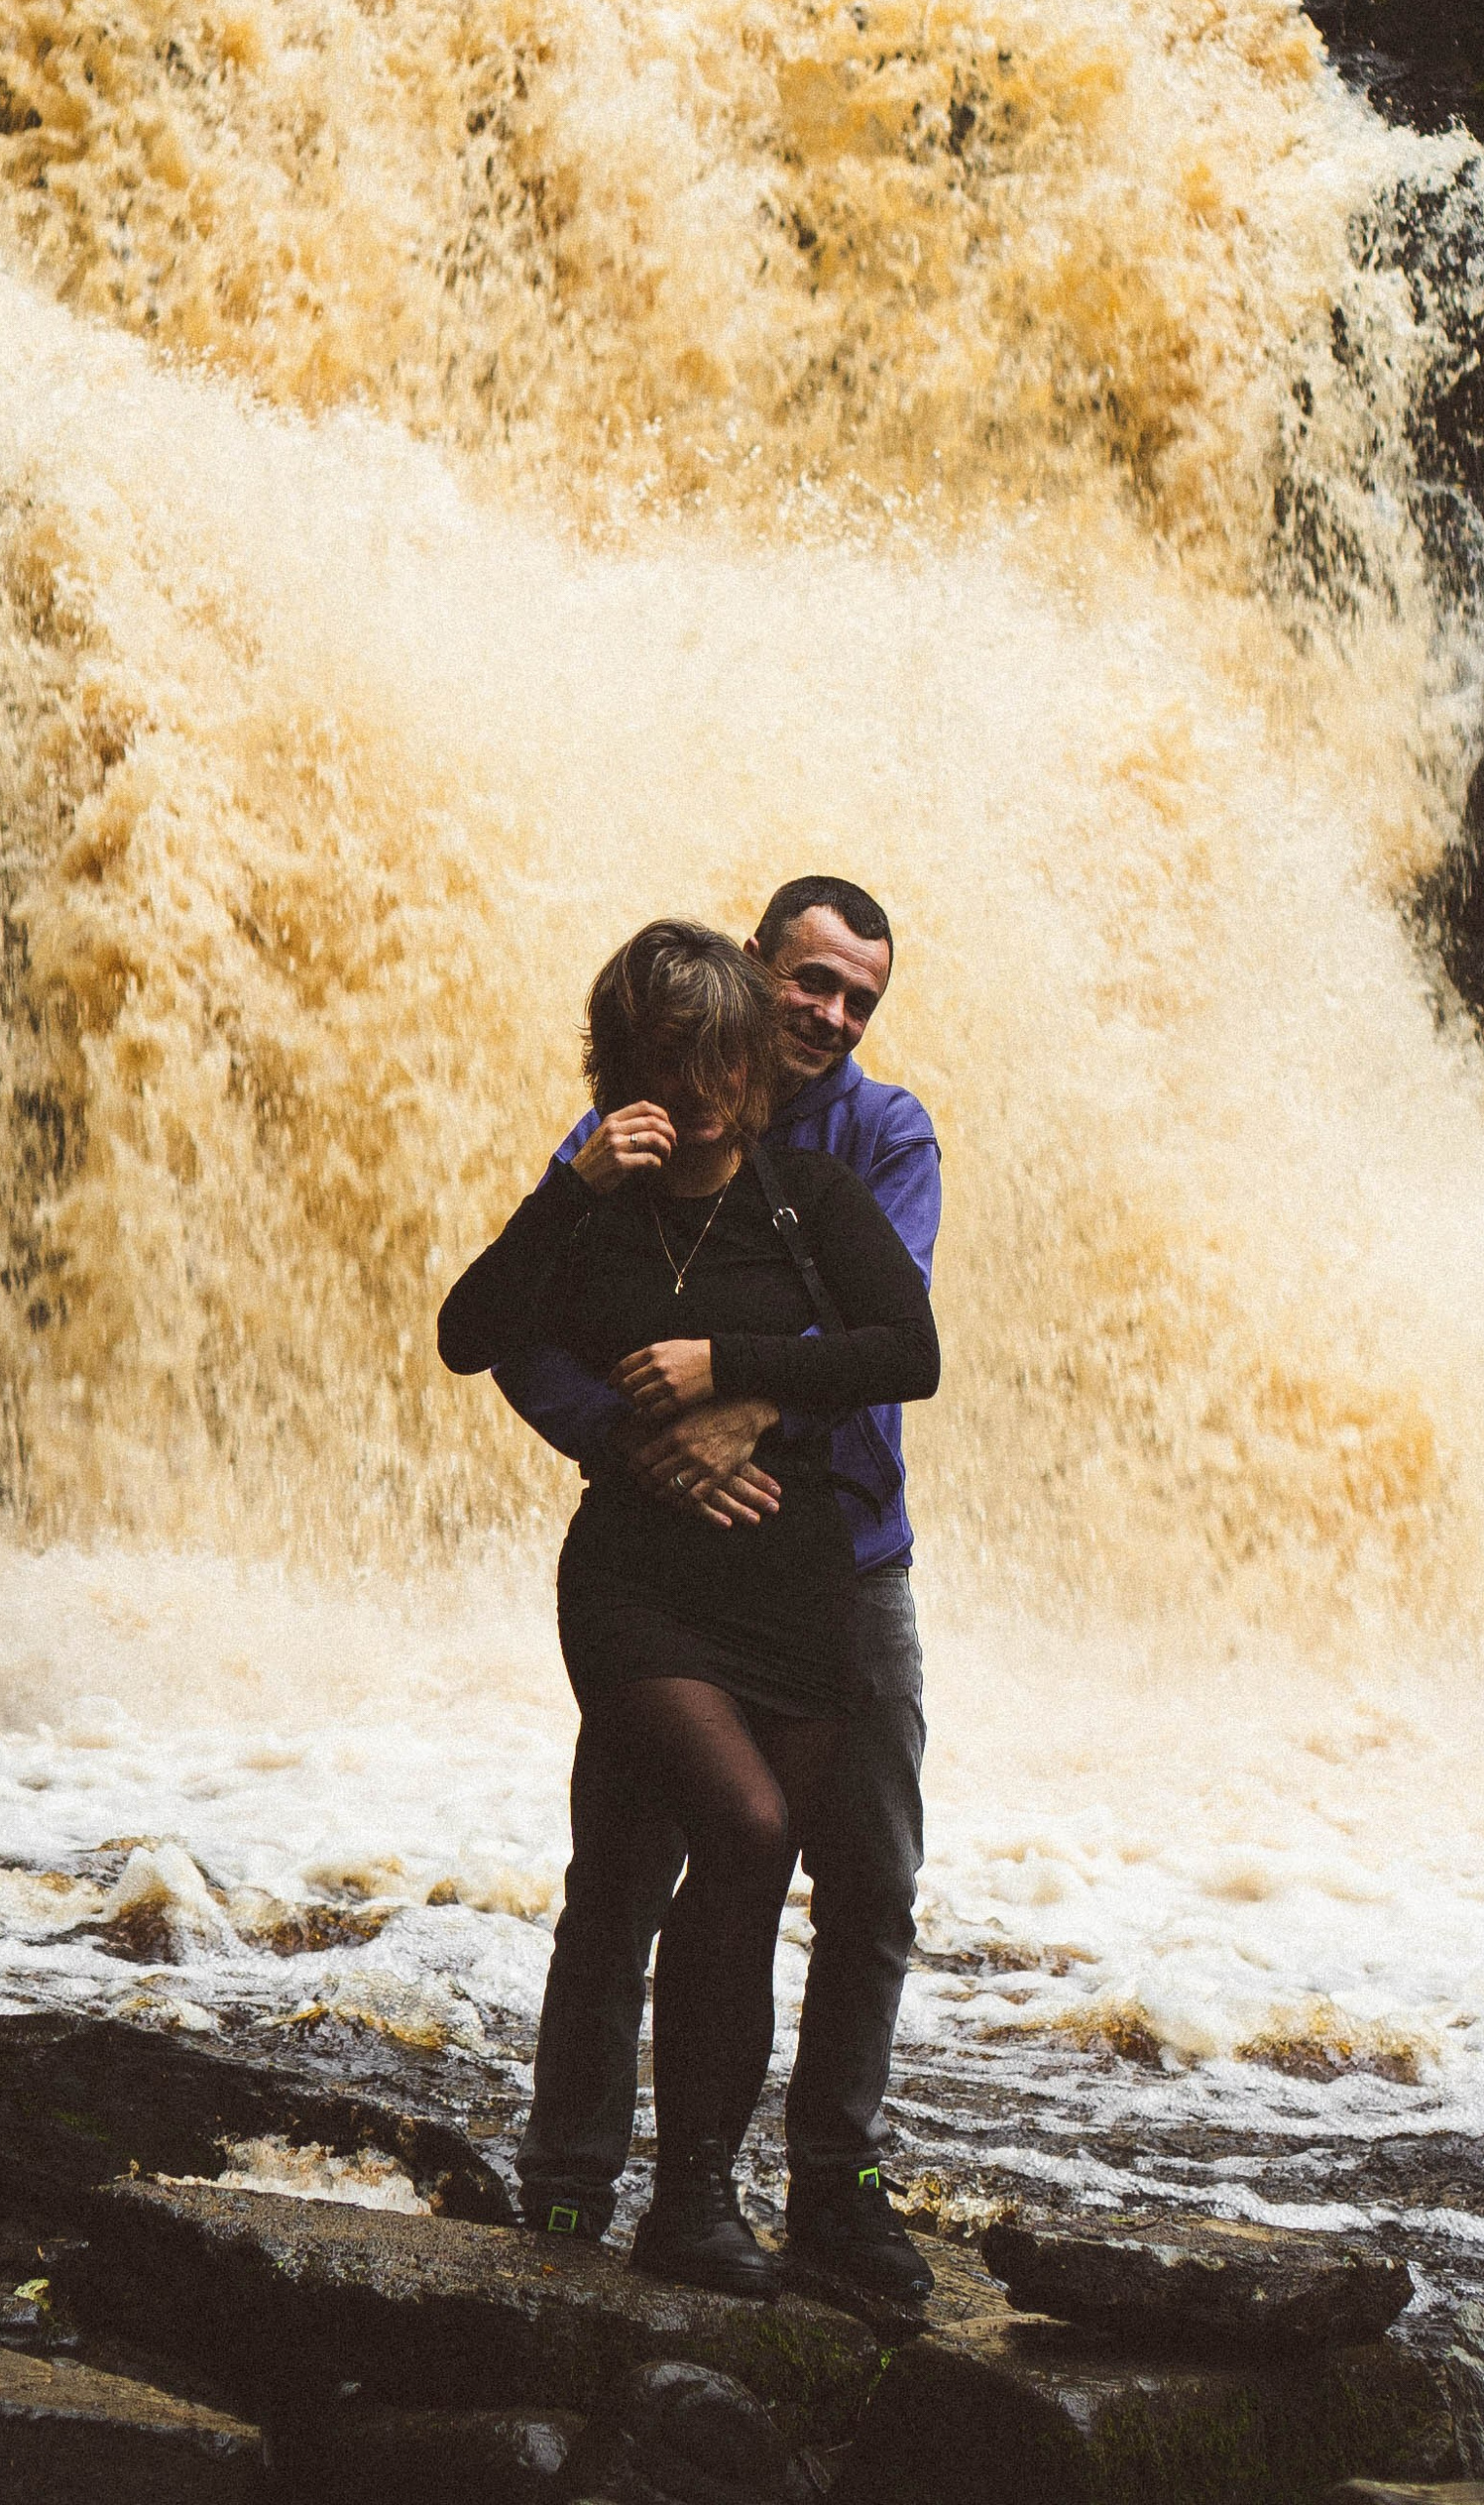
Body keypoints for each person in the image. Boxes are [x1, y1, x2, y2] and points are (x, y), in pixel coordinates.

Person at [438, 919, 939, 2298]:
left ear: (753, 1068)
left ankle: (701, 2197)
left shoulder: (826, 1188)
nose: (702, 1088)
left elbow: (912, 1351)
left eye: (721, 1064)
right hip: (639, 1586)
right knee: (733, 1829)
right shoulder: (595, 1189)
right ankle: (582, 2187)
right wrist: (572, 1209)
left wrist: (735, 1366)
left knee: (752, 1871)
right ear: (628, 1065)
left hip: (797, 1591)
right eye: (671, 1062)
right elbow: (473, 1334)